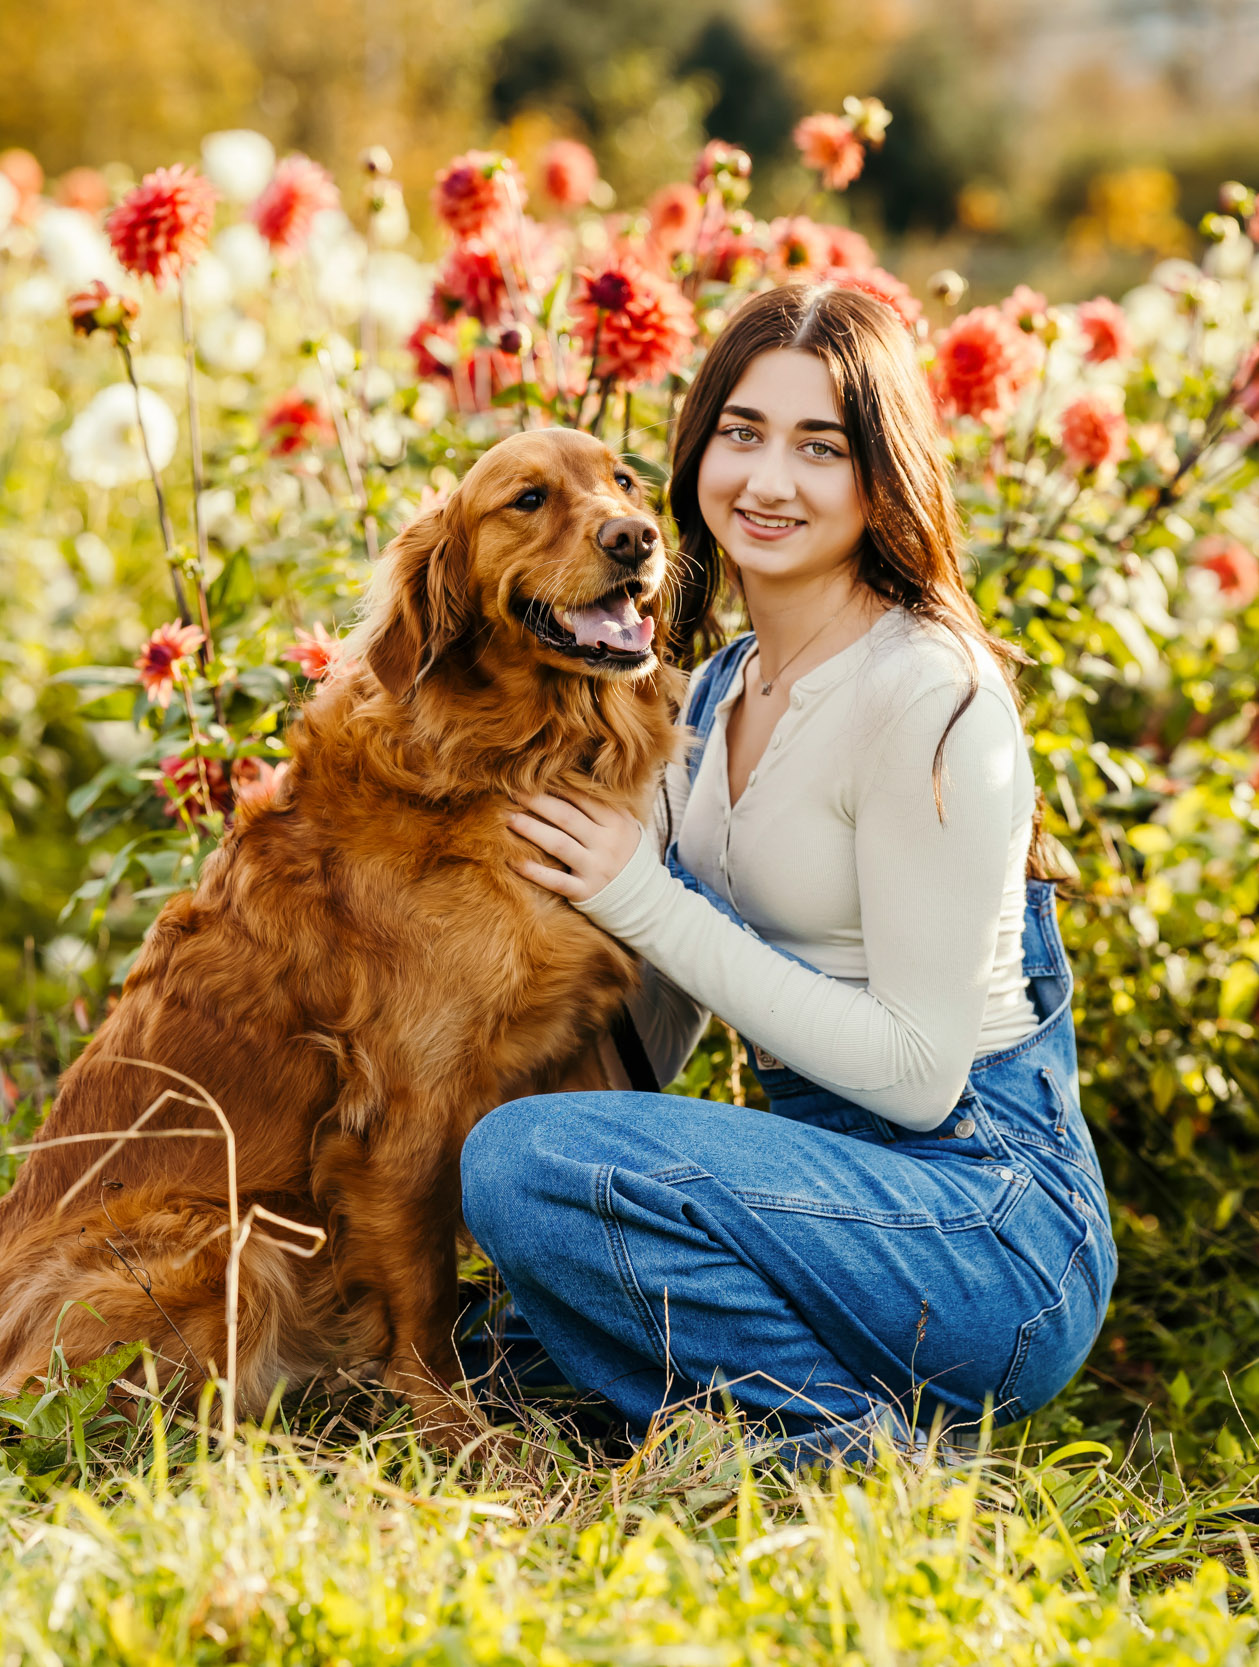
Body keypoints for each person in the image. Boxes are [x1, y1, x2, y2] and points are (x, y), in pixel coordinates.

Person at [461, 282, 1114, 1461]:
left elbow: (918, 1077)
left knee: (523, 1165)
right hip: (826, 1192)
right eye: (742, 433)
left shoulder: (927, 694)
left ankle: (850, 1451)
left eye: (821, 447)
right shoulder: (715, 691)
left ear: (882, 478)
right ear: (697, 448)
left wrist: (637, 895)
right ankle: (812, 1410)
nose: (769, 481)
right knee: (507, 1305)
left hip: (986, 1224)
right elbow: (656, 999)